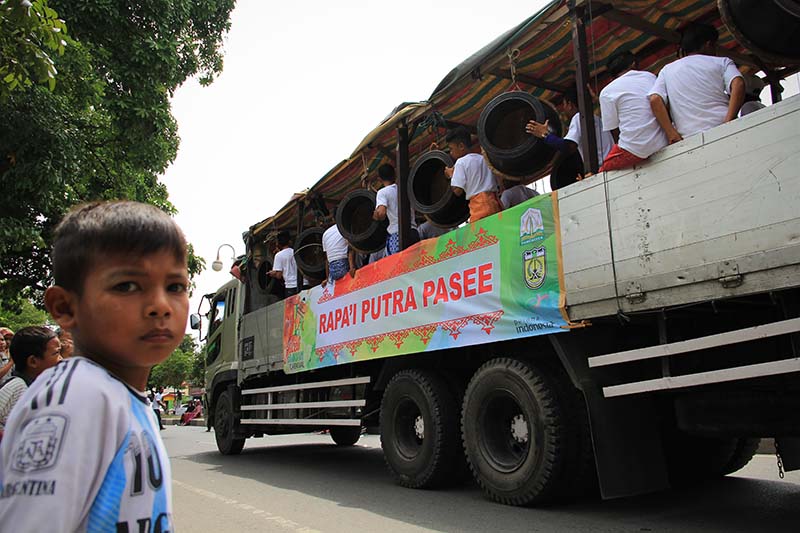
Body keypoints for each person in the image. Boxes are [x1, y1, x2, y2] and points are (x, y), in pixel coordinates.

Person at [0, 201, 188, 531]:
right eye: (127, 286)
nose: (160, 306)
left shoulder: (123, 396)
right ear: (64, 307)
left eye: (175, 287)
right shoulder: (80, 396)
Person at [648, 23, 744, 143]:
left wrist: (672, 134)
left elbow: (655, 99)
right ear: (709, 44)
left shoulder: (667, 70)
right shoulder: (722, 62)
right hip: (725, 131)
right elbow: (738, 84)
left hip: (689, 139)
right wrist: (729, 121)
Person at [598, 50, 669, 172]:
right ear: (634, 64)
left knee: (602, 172)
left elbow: (614, 129)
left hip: (633, 150)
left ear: (611, 75)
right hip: (663, 142)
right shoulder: (650, 77)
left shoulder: (607, 92)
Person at [525, 87, 614, 184]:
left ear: (570, 104)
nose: (564, 109)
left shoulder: (579, 117)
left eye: (564, 104)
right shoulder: (596, 119)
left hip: (603, 170)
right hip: (610, 166)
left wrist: (545, 134)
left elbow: (569, 146)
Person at [0, 326, 62, 438]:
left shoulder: (40, 387)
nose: (61, 359)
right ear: (33, 361)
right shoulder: (17, 386)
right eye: (56, 354)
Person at [444, 126, 502, 222]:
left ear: (461, 146)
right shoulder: (483, 159)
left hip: (480, 205)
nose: (451, 153)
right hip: (495, 201)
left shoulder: (461, 162)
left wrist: (451, 175)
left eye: (451, 149)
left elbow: (457, 191)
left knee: (481, 233)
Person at [372, 163, 419, 255]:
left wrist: (376, 216)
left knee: (400, 266)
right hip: (413, 232)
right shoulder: (406, 189)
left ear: (379, 179)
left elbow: (381, 213)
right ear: (395, 174)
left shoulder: (382, 192)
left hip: (397, 235)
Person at [322, 211, 356, 284]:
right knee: (356, 247)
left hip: (332, 271)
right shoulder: (344, 228)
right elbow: (350, 249)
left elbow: (326, 259)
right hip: (344, 265)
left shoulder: (325, 233)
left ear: (333, 219)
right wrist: (352, 268)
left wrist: (327, 278)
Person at [268, 230, 299, 296]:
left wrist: (273, 274)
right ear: (289, 241)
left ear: (278, 243)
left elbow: (279, 275)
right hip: (303, 283)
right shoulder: (296, 252)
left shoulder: (279, 255)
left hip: (291, 287)